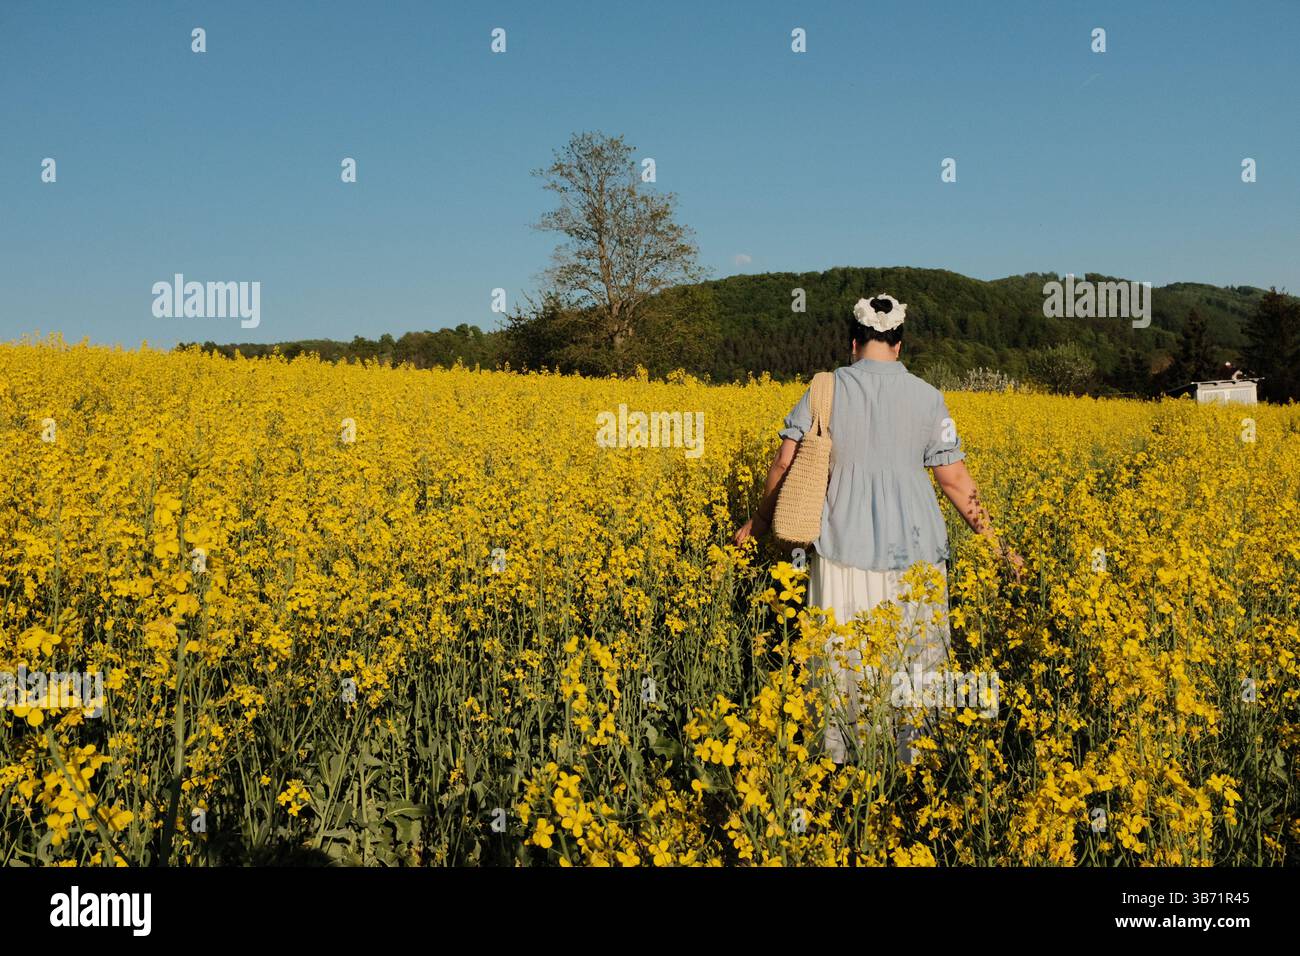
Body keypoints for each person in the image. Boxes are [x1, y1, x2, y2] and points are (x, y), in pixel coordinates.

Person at [733, 294, 1023, 763]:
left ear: (854, 343)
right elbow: (955, 481)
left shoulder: (824, 389)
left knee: (840, 657)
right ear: (900, 346)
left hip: (842, 546)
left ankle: (841, 761)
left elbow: (785, 462)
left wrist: (760, 521)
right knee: (914, 659)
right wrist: (999, 545)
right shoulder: (930, 398)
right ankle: (913, 760)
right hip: (918, 555)